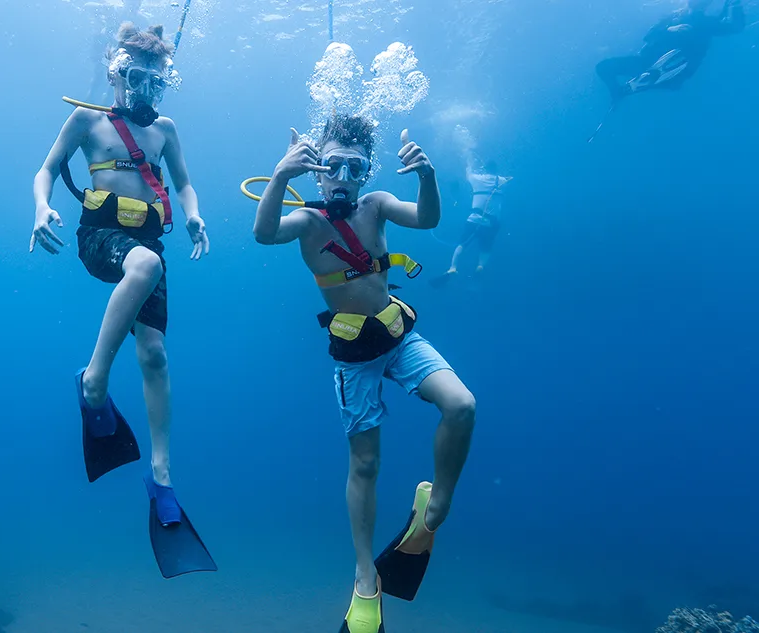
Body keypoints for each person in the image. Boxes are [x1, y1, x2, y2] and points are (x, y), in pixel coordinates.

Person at [251, 115, 477, 633]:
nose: (344, 177)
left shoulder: (375, 205)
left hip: (399, 338)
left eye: (355, 167)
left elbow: (426, 220)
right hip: (355, 356)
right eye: (333, 165)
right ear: (318, 171)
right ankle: (363, 577)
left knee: (462, 405)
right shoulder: (309, 222)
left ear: (366, 171)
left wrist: (426, 176)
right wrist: (281, 176)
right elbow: (263, 234)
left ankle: (435, 502)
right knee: (366, 465)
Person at [29, 22, 215, 579]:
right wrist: (41, 208)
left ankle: (161, 477)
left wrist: (194, 213)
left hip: (149, 239)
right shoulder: (87, 120)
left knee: (156, 354)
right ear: (115, 72)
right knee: (146, 264)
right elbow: (45, 169)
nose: (144, 92)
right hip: (101, 237)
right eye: (134, 78)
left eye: (155, 84)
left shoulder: (166, 131)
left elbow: (183, 183)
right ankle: (94, 383)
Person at [595, 0, 746, 103]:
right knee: (603, 67)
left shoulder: (706, 24)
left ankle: (640, 85)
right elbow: (648, 36)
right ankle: (620, 92)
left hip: (678, 71)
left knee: (673, 83)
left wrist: (733, 3)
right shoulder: (673, 17)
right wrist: (669, 29)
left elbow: (734, 26)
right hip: (647, 61)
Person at [433, 158, 512, 286]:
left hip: (474, 219)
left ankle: (453, 267)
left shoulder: (477, 179)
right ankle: (480, 266)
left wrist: (469, 164)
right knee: (486, 248)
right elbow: (509, 179)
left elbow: (468, 173)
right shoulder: (502, 181)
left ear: (485, 169)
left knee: (462, 244)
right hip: (492, 223)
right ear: (496, 170)